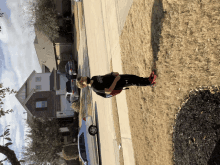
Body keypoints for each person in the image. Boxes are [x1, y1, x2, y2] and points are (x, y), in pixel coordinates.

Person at [76, 72, 157, 98]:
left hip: (116, 78)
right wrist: (115, 80)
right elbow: (109, 91)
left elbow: (104, 76)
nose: (84, 79)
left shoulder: (93, 78)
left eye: (83, 78)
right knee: (133, 81)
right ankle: (150, 83)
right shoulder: (95, 88)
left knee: (132, 77)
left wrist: (112, 73)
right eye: (83, 81)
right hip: (117, 83)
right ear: (84, 86)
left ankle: (147, 79)